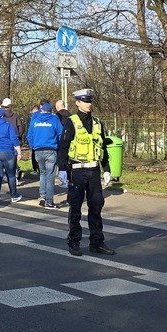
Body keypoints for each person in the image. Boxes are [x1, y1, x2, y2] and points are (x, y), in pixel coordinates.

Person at [58, 88, 114, 256]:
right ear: (77, 102)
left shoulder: (97, 123)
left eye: (90, 101)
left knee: (96, 206)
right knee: (75, 207)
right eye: (85, 101)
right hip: (77, 170)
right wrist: (62, 169)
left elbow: (102, 147)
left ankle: (97, 242)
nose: (88, 104)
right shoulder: (71, 122)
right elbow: (63, 147)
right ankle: (74, 241)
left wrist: (106, 169)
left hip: (93, 171)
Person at [28, 101, 62, 209]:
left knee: (42, 173)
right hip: (51, 150)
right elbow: (61, 133)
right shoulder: (54, 120)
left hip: (38, 150)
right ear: (51, 110)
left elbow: (29, 135)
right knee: (50, 176)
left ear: (42, 110)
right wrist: (58, 145)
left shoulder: (35, 120)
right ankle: (49, 201)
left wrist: (34, 146)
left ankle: (42, 196)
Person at [0, 101, 22, 204]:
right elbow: (14, 140)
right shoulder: (8, 126)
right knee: (11, 175)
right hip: (8, 153)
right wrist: (19, 152)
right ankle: (14, 195)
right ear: (3, 116)